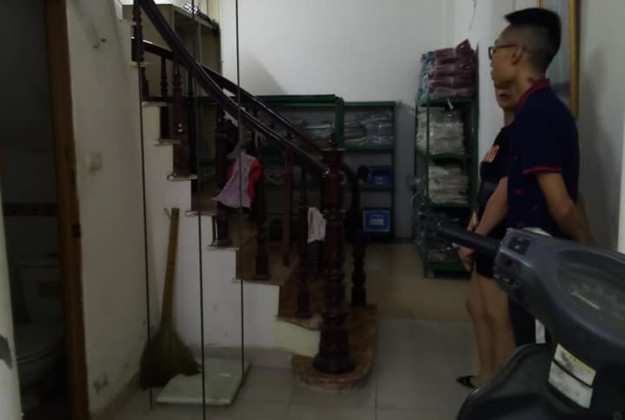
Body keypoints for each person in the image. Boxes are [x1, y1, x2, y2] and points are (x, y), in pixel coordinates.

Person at [488, 8, 593, 346]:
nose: (491, 62)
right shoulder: (536, 109)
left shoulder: (538, 113)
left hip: (541, 259)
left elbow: (561, 204)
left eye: (495, 50)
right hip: (534, 254)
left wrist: (589, 254)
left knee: (536, 353)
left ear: (516, 54)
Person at [456, 89, 517, 389]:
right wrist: (474, 219)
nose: (502, 93)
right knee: (476, 305)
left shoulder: (520, 135)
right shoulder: (502, 135)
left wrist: (473, 240)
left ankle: (501, 390)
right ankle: (486, 376)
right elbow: (488, 186)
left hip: (499, 236)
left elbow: (504, 195)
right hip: (484, 229)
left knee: (497, 314)